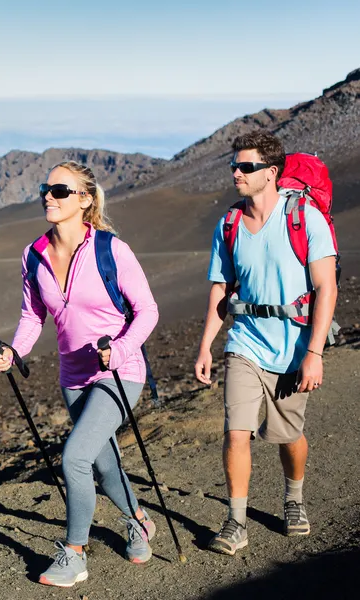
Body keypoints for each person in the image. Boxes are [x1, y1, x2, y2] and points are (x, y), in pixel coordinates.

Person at [0, 161, 160, 588]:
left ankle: (74, 554)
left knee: (74, 456)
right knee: (103, 465)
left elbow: (147, 311)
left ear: (84, 199)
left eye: (60, 190)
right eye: (46, 188)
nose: (49, 196)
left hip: (121, 371)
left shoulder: (111, 249)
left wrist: (119, 350)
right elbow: (33, 317)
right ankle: (139, 520)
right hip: (74, 378)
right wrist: (15, 350)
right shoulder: (33, 255)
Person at [194, 131, 338, 555]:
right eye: (234, 166)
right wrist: (206, 345)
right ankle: (235, 522)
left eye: (247, 167)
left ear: (271, 173)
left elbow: (325, 288)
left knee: (288, 434)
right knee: (236, 432)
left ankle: (293, 498)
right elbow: (221, 289)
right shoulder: (231, 223)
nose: (236, 173)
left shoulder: (304, 218)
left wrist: (313, 354)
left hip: (294, 346)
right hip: (245, 343)